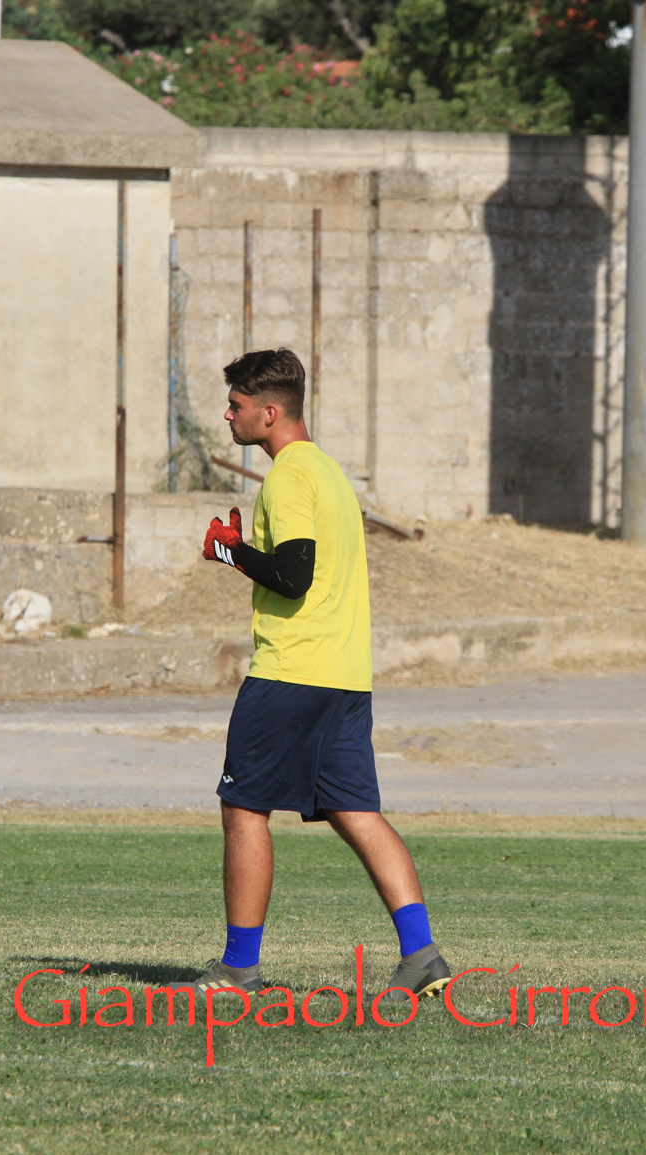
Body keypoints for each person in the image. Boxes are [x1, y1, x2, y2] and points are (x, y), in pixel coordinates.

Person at [177, 348, 451, 1004]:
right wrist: (243, 554)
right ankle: (422, 955)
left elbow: (294, 575)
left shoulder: (289, 477)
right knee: (356, 811)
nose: (228, 415)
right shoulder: (328, 472)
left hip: (291, 672)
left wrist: (233, 552)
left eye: (237, 405)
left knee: (244, 807)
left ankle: (238, 968)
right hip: (345, 677)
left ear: (270, 413)